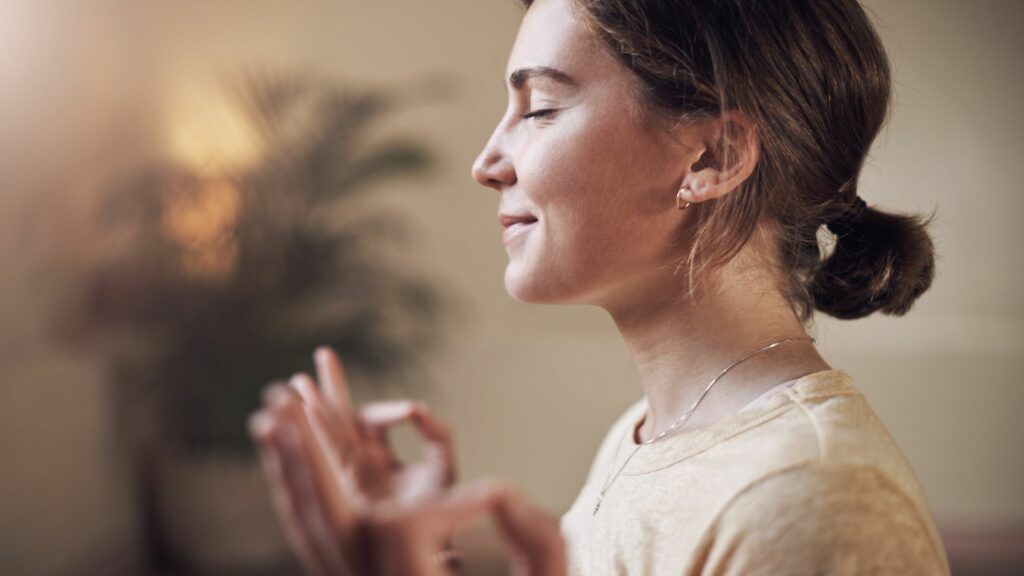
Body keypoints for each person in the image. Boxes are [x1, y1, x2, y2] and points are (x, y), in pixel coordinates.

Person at [248, 0, 950, 573]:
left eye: (541, 107)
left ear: (714, 156)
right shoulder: (646, 435)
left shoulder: (811, 501)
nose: (487, 162)